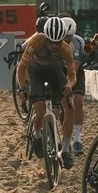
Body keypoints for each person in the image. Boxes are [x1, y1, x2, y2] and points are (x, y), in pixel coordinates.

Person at [15, 17, 78, 168]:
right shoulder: (35, 41)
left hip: (54, 71)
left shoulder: (65, 49)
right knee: (40, 110)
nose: (54, 46)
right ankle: (37, 134)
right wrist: (23, 88)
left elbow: (72, 75)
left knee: (70, 107)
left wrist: (70, 85)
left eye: (58, 43)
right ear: (45, 37)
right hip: (35, 71)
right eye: (51, 42)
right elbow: (22, 68)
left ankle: (65, 149)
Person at [61, 15, 87, 157]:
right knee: (62, 105)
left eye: (69, 36)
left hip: (75, 72)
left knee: (77, 101)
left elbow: (74, 69)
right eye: (64, 37)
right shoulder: (54, 40)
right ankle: (64, 137)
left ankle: (77, 139)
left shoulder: (78, 42)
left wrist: (68, 84)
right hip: (59, 69)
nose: (67, 40)